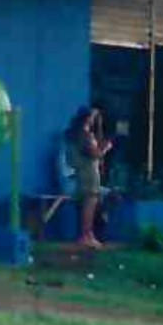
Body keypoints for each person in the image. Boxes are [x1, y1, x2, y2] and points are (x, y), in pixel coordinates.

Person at [66, 105, 113, 248]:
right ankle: (86, 235)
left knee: (89, 203)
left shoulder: (77, 134)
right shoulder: (84, 135)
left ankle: (88, 234)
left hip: (84, 173)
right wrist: (105, 148)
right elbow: (95, 153)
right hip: (88, 174)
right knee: (89, 203)